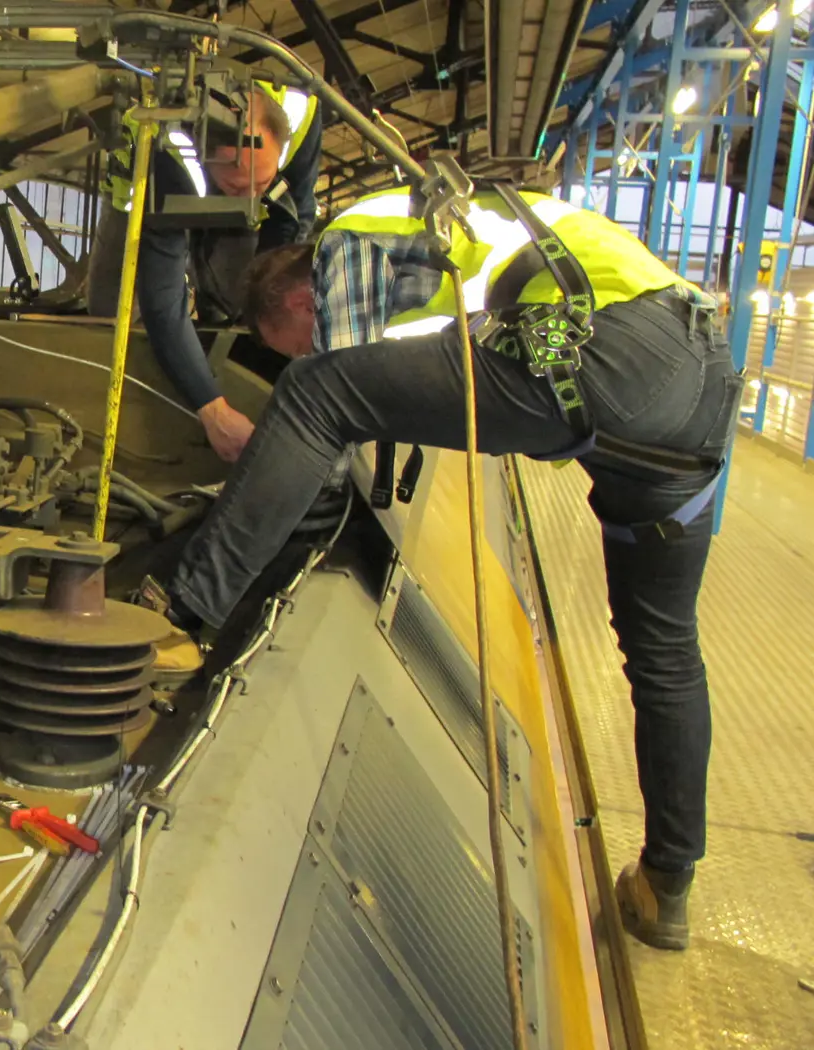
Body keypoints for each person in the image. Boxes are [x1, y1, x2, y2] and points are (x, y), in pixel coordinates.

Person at [161, 184, 740, 952]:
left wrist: (279, 471)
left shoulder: (349, 240)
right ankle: (666, 886)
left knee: (315, 393)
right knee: (663, 652)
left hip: (604, 352)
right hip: (698, 394)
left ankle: (179, 615)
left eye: (292, 336)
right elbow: (412, 385)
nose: (304, 343)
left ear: (299, 300)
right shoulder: (440, 243)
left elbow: (339, 386)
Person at [87, 84, 321, 461]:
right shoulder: (168, 149)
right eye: (239, 185)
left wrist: (263, 306)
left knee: (241, 297)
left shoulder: (302, 115)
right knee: (108, 314)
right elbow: (162, 294)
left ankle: (217, 369)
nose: (251, 197)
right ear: (207, 159)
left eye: (261, 184)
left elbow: (292, 217)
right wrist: (211, 409)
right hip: (139, 198)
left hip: (211, 184)